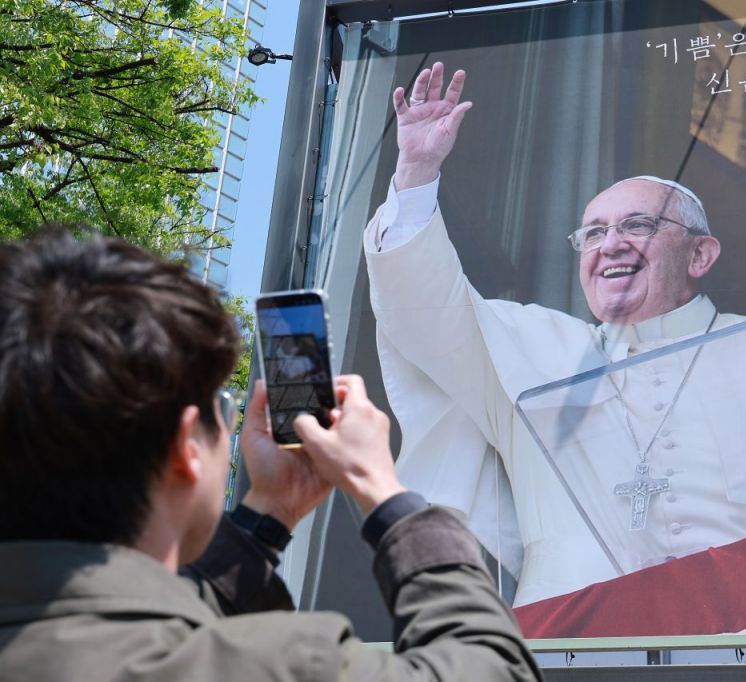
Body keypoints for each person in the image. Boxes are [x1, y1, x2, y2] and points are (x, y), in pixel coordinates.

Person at [363, 63, 746, 606]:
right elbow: (425, 311)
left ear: (700, 255)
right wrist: (416, 175)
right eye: (592, 234)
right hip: (579, 647)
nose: (611, 244)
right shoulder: (532, 353)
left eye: (637, 225)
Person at [0, 228, 541, 681]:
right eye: (223, 403)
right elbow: (496, 670)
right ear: (186, 447)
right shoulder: (281, 666)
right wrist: (386, 492)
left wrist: (270, 512)